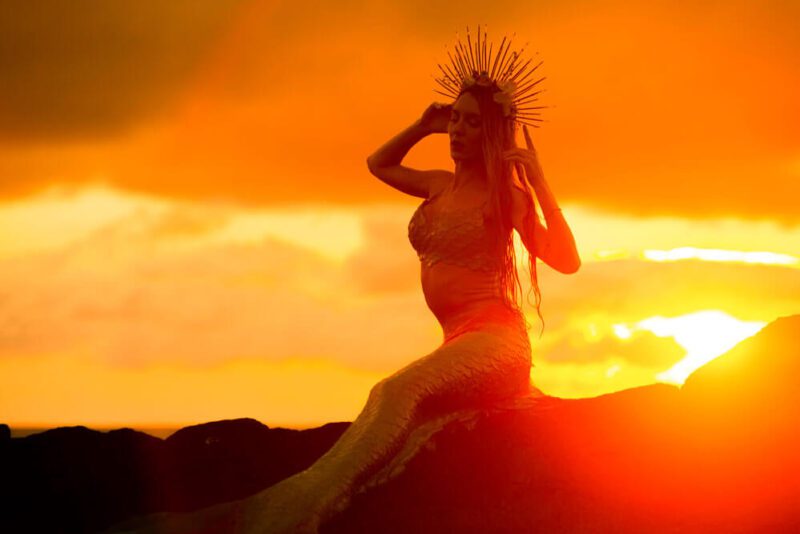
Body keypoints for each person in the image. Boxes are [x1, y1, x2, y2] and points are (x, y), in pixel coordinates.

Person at [110, 27, 580, 534]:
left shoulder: (506, 197)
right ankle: (303, 498)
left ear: (492, 132)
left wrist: (538, 179)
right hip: (458, 341)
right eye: (456, 121)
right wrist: (422, 125)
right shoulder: (436, 185)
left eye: (470, 124)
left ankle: (303, 510)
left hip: (497, 342)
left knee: (394, 393)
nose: (458, 132)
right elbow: (378, 164)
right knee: (393, 399)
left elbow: (567, 260)